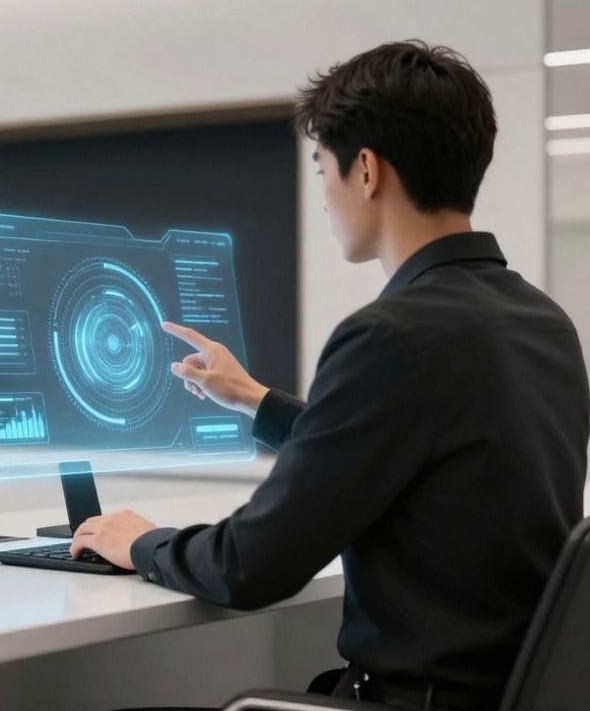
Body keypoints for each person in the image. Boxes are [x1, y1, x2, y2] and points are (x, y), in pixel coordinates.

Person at [68, 40, 589, 711]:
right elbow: (404, 452)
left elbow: (248, 566)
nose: (324, 196)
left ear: (366, 170)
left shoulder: (391, 336)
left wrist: (139, 541)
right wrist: (255, 400)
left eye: (322, 169)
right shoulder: (542, 322)